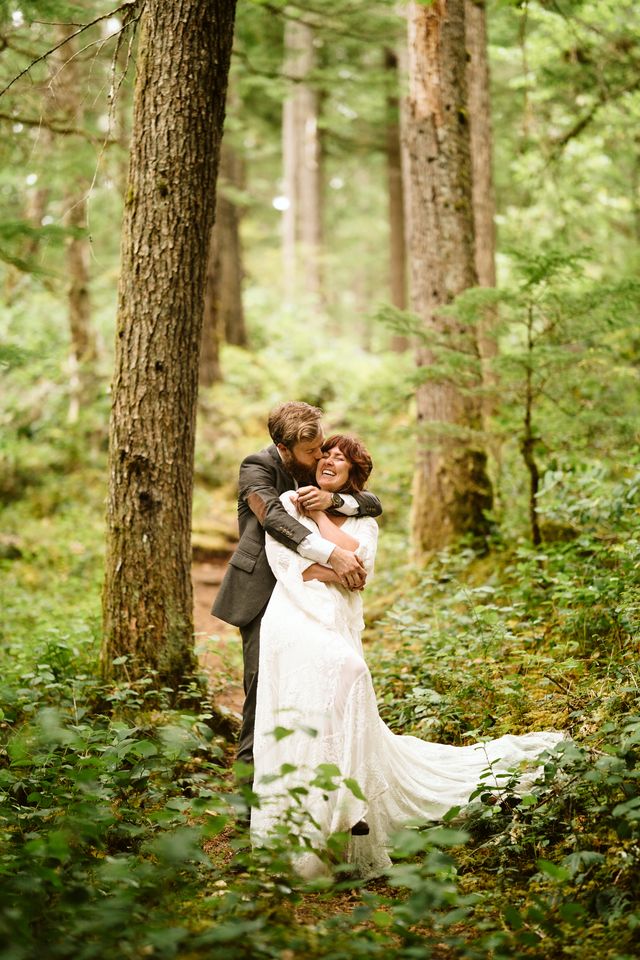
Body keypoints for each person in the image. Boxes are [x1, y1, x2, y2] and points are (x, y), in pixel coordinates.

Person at [251, 434, 564, 880]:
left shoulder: (362, 520)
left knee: (336, 700)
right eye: (326, 454)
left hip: (335, 619)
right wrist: (333, 565)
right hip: (293, 616)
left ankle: (340, 810)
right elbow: (288, 565)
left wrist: (322, 517)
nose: (329, 460)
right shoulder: (288, 502)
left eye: (341, 458)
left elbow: (359, 564)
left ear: (352, 474)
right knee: (322, 693)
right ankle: (307, 823)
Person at [212, 402, 382, 771]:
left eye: (322, 447)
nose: (321, 456)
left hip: (310, 595)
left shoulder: (312, 467)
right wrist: (334, 556)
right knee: (262, 689)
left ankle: (314, 770)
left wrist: (332, 500)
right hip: (264, 592)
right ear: (283, 448)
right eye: (312, 451)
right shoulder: (256, 467)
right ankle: (249, 790)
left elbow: (372, 502)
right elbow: (273, 518)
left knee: (316, 683)